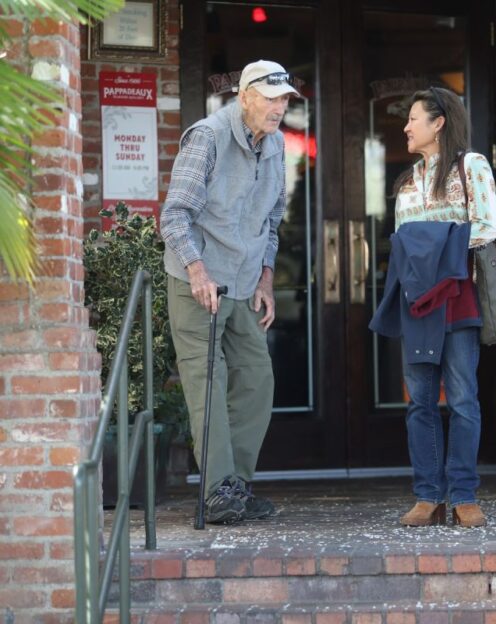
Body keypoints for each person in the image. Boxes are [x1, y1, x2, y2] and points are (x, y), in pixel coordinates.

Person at [160, 59, 299, 524]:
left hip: (243, 282)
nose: (279, 107)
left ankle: (235, 486)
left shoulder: (277, 145)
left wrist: (265, 277)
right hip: (198, 282)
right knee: (209, 386)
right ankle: (217, 490)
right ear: (244, 96)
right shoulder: (208, 136)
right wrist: (197, 271)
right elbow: (175, 215)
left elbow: (272, 220)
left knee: (257, 380)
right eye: (271, 97)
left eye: (284, 99)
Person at [370, 87, 496, 528]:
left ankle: (463, 495)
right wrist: (435, 244)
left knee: (463, 399)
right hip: (417, 303)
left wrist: (432, 244)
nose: (406, 127)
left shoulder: (472, 166)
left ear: (438, 122)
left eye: (413, 119)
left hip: (459, 299)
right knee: (419, 402)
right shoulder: (406, 182)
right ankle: (428, 497)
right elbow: (403, 243)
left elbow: (487, 226)